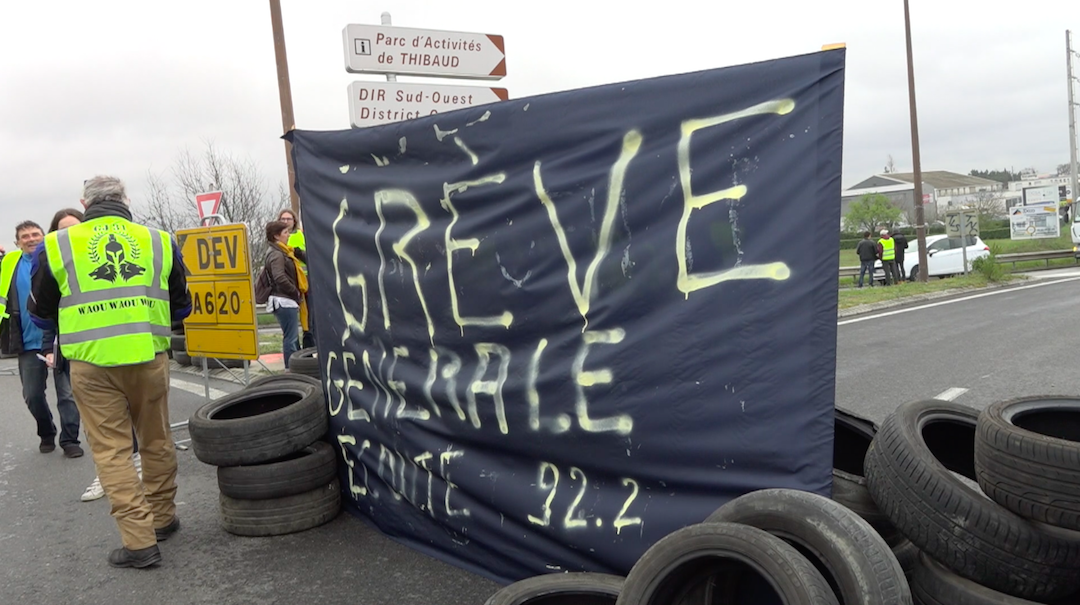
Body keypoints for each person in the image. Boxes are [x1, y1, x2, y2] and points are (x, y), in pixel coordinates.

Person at [29, 175, 192, 569]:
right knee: (156, 439)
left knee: (112, 452)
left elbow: (39, 310)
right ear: (126, 199)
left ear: (84, 204)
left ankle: (139, 543)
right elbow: (181, 306)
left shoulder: (56, 245)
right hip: (148, 355)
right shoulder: (160, 240)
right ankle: (164, 518)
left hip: (92, 362)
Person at [40, 208, 142, 502]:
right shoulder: (58, 264)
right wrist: (50, 348)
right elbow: (49, 313)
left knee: (127, 415)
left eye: (76, 227)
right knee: (98, 424)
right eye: (64, 229)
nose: (71, 233)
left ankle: (133, 468)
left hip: (122, 348)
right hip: (81, 354)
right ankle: (109, 476)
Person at [0, 220, 82, 457]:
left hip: (61, 337)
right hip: (27, 341)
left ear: (44, 236)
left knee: (67, 394)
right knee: (33, 395)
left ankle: (70, 440)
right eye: (25, 236)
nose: (31, 238)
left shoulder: (55, 258)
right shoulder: (9, 265)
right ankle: (46, 432)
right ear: (17, 242)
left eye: (35, 234)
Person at [264, 220, 308, 370]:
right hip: (284, 300)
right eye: (285, 232)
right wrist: (294, 291)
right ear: (276, 236)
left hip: (284, 299)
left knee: (291, 337)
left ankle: (292, 368)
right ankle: (290, 368)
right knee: (291, 338)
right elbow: (279, 277)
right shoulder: (277, 254)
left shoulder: (283, 251)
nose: (289, 235)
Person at [278, 209, 315, 348]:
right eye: (283, 219)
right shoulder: (277, 238)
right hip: (290, 281)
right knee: (292, 321)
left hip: (305, 279)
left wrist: (298, 252)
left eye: (288, 219)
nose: (286, 222)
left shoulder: (301, 235)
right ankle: (296, 349)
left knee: (309, 317)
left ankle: (309, 344)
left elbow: (309, 257)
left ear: (294, 221)